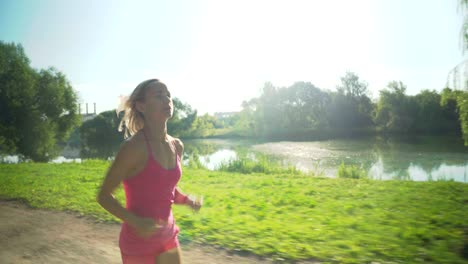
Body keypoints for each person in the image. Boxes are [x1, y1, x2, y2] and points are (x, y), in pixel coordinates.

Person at [97, 79, 202, 264]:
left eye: (168, 95)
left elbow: (165, 190)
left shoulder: (177, 146)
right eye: (159, 95)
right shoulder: (133, 148)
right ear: (141, 106)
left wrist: (187, 200)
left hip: (167, 236)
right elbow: (103, 196)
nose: (167, 100)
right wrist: (136, 222)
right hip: (139, 245)